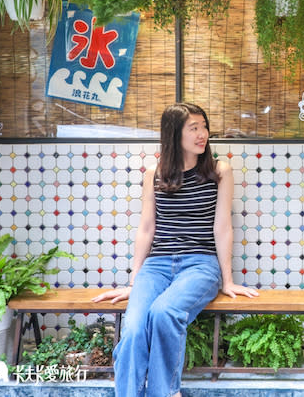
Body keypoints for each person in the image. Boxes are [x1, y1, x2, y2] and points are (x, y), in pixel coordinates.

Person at [93, 102, 258, 397]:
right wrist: (135, 280)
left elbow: (222, 227)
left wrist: (228, 279)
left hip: (200, 264)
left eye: (204, 126)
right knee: (132, 329)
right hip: (156, 266)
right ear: (173, 134)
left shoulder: (219, 171)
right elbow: (147, 228)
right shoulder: (154, 174)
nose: (202, 134)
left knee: (164, 312)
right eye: (193, 128)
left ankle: (166, 392)